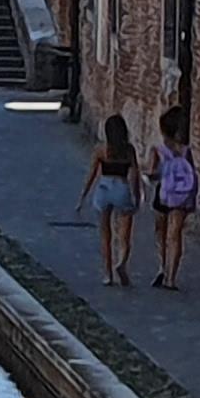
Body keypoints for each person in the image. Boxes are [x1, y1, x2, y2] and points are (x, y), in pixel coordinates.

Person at [82, 112, 140, 286]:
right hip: (122, 188)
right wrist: (136, 196)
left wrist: (83, 195)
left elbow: (92, 174)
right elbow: (135, 175)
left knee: (105, 235)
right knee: (124, 236)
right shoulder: (129, 150)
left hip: (104, 189)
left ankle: (107, 274)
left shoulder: (101, 149)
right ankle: (122, 262)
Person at [151, 102, 199, 291]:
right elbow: (192, 174)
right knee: (175, 235)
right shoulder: (187, 151)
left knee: (160, 232)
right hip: (182, 196)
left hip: (163, 194)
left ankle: (163, 267)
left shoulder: (158, 150)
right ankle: (171, 277)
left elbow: (153, 171)